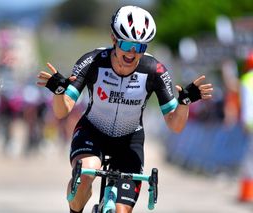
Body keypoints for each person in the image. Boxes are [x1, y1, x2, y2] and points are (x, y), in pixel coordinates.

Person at [37, 5, 213, 213]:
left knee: (121, 211)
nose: (132, 53)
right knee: (86, 174)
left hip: (129, 141)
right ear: (114, 39)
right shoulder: (92, 61)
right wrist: (58, 92)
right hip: (93, 132)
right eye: (127, 44)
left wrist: (184, 103)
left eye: (140, 47)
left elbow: (175, 125)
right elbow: (62, 111)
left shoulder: (154, 70)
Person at [238, 50, 253, 202]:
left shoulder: (247, 79)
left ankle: (248, 193)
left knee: (249, 158)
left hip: (251, 124)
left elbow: (248, 103)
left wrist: (246, 122)